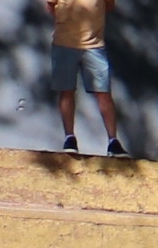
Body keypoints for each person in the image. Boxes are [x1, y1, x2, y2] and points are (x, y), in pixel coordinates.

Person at [46, 0, 127, 157]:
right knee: (66, 91)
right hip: (64, 43)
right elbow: (50, 6)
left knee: (103, 93)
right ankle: (69, 138)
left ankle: (113, 141)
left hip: (94, 45)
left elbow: (109, 6)